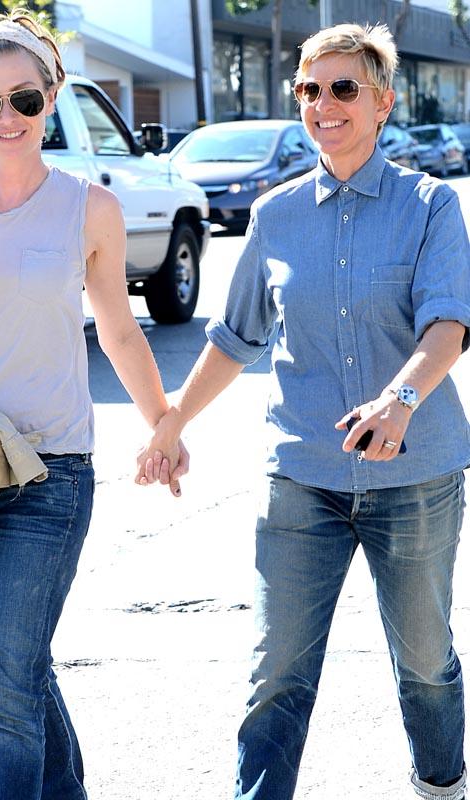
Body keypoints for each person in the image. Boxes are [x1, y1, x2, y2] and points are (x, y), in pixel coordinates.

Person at [137, 22, 470, 800]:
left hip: (415, 475)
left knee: (424, 660)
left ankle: (441, 783)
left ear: (381, 103)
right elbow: (234, 337)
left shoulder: (430, 207)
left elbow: (448, 325)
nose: (324, 104)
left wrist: (399, 400)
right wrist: (171, 423)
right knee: (277, 668)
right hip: (302, 476)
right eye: (309, 90)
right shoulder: (276, 215)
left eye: (343, 88)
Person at [0, 9, 182, 800]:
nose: (6, 117)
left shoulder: (89, 207)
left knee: (5, 679)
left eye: (23, 98)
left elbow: (120, 329)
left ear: (52, 97)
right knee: (14, 666)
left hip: (51, 471)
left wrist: (165, 420)